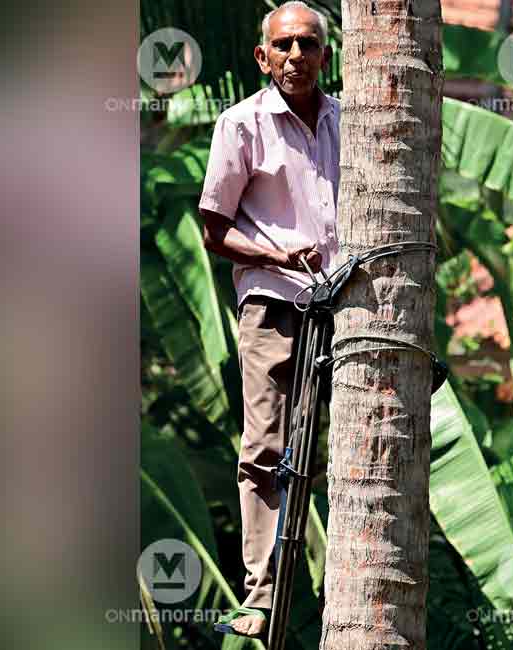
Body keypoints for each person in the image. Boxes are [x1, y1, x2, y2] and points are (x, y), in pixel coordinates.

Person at [198, 1, 339, 639]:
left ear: (325, 55)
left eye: (308, 44)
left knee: (353, 447)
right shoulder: (241, 124)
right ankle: (263, 590)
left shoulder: (353, 123)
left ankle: (345, 574)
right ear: (262, 56)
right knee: (265, 447)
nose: (295, 57)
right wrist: (275, 253)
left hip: (349, 304)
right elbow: (213, 231)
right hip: (274, 300)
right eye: (283, 46)